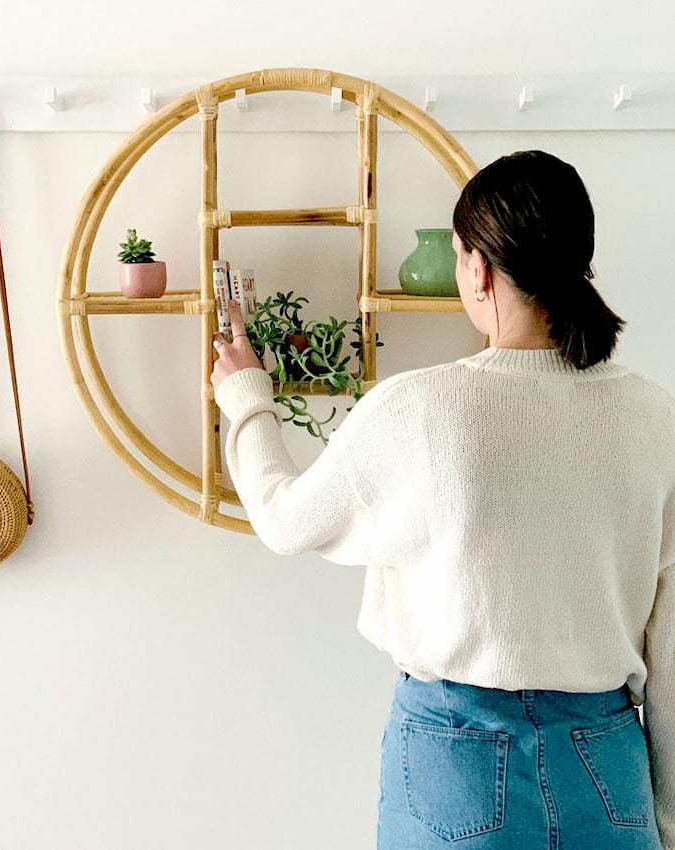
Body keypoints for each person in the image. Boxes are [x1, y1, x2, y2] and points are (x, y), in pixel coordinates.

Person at [210, 150, 673, 849]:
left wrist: (247, 396)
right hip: (606, 765)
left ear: (479, 268)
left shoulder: (420, 408)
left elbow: (281, 519)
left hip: (454, 760)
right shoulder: (657, 420)